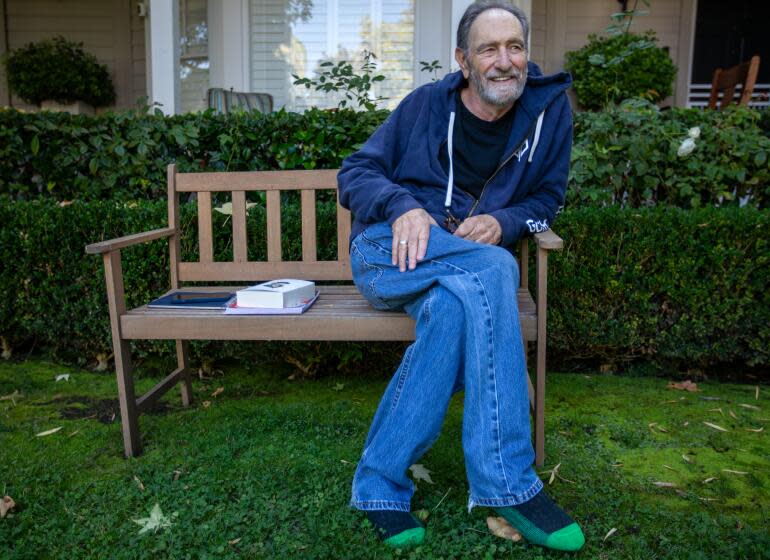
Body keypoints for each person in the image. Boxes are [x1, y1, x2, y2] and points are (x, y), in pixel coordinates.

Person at [337, 0, 585, 551]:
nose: (505, 61)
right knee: (494, 267)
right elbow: (355, 170)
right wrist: (400, 204)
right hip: (387, 253)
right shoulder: (427, 105)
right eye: (488, 49)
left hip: (458, 272)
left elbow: (548, 197)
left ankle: (377, 485)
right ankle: (508, 484)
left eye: (514, 46)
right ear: (463, 60)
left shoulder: (550, 114)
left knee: (453, 308)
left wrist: (504, 220)